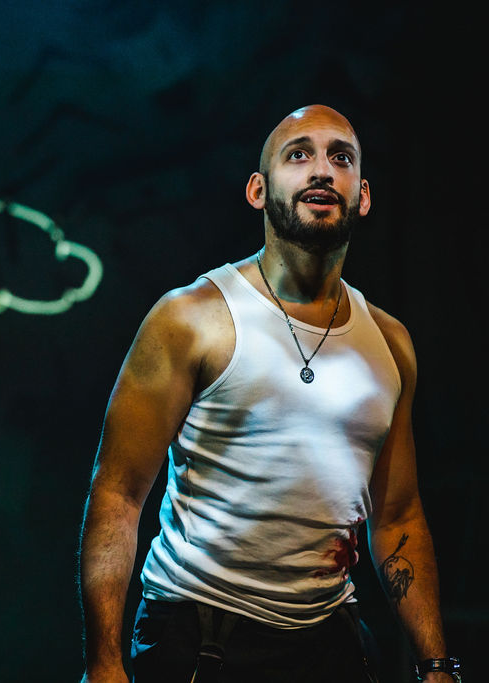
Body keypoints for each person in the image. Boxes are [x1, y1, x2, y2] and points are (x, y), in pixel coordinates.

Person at [78, 105, 460, 682]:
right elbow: (117, 495)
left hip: (331, 640)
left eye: (341, 158)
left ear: (362, 197)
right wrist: (103, 662)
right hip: (199, 637)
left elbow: (398, 516)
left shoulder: (390, 343)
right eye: (298, 154)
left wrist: (435, 664)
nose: (322, 170)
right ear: (258, 190)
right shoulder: (191, 318)